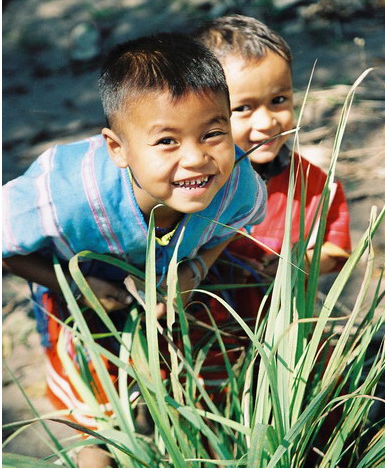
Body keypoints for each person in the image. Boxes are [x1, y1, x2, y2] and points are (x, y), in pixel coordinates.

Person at [2, 32, 267, 467]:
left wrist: (194, 271)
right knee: (95, 410)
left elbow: (229, 230)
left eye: (213, 132)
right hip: (82, 295)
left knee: (210, 372)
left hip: (174, 283)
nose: (197, 158)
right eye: (167, 141)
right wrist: (77, 283)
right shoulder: (66, 195)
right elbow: (8, 248)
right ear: (117, 148)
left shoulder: (234, 181)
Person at [194, 14, 351, 328]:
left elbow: (336, 248)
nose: (267, 123)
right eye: (243, 108)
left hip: (285, 335)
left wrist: (300, 262)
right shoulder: (191, 186)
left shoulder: (313, 184)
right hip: (203, 335)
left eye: (279, 100)